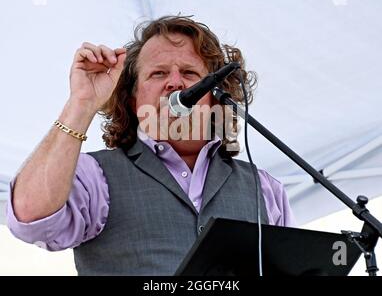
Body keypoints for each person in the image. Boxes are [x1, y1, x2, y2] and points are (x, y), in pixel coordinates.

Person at [7, 15, 295, 275]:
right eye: (158, 73)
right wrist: (81, 104)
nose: (175, 82)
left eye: (190, 74)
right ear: (132, 100)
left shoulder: (265, 188)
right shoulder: (94, 175)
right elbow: (30, 217)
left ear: (215, 97)